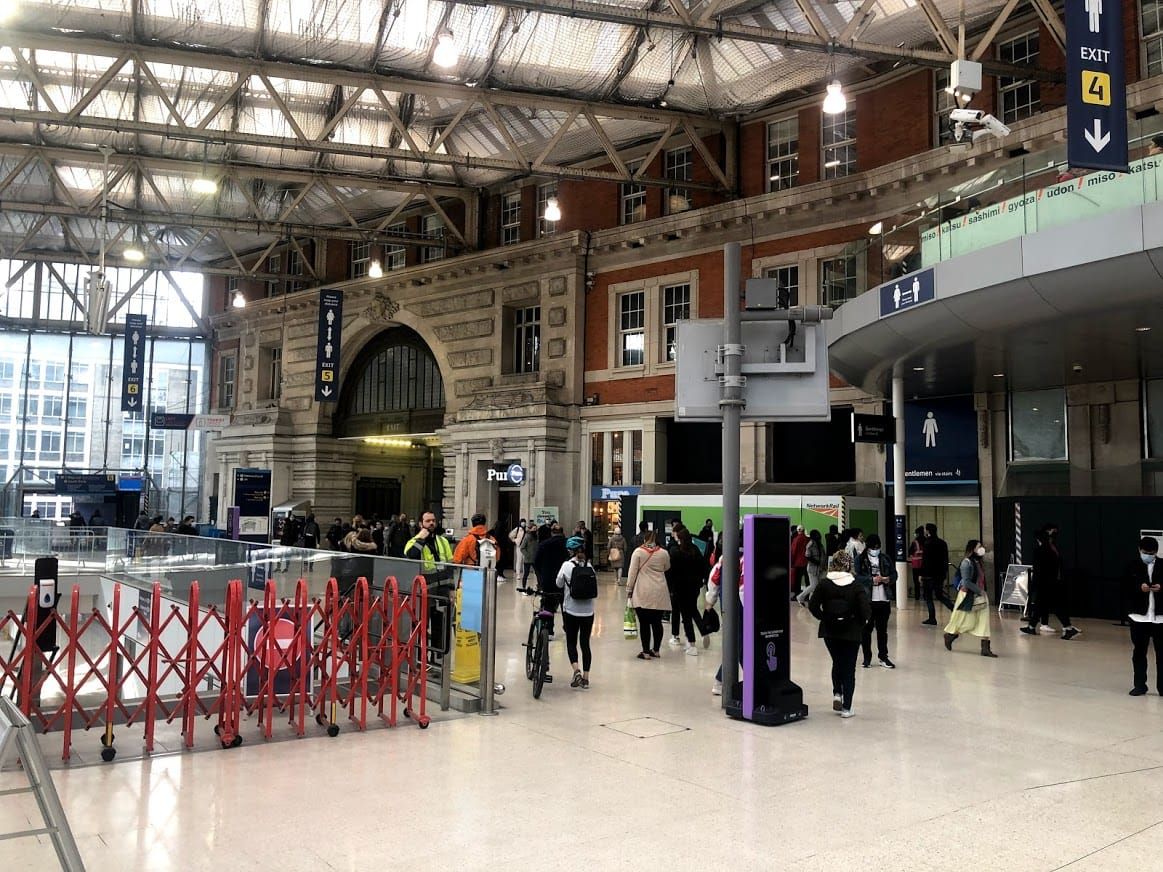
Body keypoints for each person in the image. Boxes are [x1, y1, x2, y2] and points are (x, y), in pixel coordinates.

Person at [809, 550, 871, 718]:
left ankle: (837, 693)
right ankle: (847, 708)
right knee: (849, 668)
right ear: (849, 564)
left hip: (829, 631)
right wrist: (861, 623)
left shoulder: (824, 584)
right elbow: (865, 610)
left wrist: (825, 618)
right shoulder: (856, 584)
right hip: (851, 631)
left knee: (837, 661)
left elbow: (813, 606)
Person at [1021, 524, 1081, 640]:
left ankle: (1068, 628)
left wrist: (1033, 585)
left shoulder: (1040, 551)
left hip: (1045, 583)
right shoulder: (1052, 550)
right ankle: (1032, 626)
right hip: (1053, 582)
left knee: (1052, 605)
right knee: (1041, 605)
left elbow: (1038, 570)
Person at [942, 540, 997, 657]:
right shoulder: (967, 563)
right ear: (972, 549)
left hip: (981, 595)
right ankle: (951, 635)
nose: (981, 549)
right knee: (963, 620)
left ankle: (985, 647)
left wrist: (982, 592)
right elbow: (966, 582)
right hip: (968, 596)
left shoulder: (978, 562)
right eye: (979, 547)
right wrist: (979, 591)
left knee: (984, 621)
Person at [556, 535, 597, 689]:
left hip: (571, 610)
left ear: (570, 551)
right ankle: (586, 678)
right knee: (585, 643)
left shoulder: (567, 565)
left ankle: (576, 670)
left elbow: (558, 583)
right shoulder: (589, 566)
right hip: (588, 611)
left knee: (571, 642)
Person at [626, 529, 671, 660]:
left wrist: (629, 590)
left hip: (643, 591)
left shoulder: (638, 552)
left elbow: (632, 572)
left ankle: (645, 651)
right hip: (659, 591)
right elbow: (667, 567)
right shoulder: (664, 553)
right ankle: (656, 650)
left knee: (644, 623)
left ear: (644, 539)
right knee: (657, 622)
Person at [1126, 536, 1163, 696]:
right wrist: (1138, 588)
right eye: (1145, 552)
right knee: (1139, 652)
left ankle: (1162, 687)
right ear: (1139, 550)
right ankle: (1140, 685)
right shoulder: (1131, 566)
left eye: (1151, 553)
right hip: (1139, 617)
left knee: (1161, 653)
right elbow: (1124, 587)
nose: (1148, 555)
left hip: (1160, 618)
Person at [665, 525, 710, 655]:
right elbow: (703, 568)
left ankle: (692, 644)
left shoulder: (677, 553)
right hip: (694, 588)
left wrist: (671, 587)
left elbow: (671, 572)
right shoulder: (696, 550)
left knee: (685, 616)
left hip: (680, 589)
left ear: (680, 539)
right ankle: (699, 633)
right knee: (691, 611)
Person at [855, 534, 896, 669]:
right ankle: (867, 657)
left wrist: (887, 579)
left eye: (878, 547)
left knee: (882, 630)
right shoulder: (860, 560)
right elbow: (857, 577)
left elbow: (895, 574)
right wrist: (871, 580)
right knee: (866, 630)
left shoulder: (885, 558)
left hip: (883, 599)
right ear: (868, 547)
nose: (876, 550)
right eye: (873, 547)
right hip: (867, 600)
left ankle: (883, 657)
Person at [920, 522, 954, 626]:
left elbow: (925, 561)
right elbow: (945, 560)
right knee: (940, 595)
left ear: (928, 531)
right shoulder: (942, 543)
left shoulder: (927, 543)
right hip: (939, 575)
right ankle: (954, 610)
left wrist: (921, 574)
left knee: (928, 597)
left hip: (928, 575)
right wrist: (944, 574)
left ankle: (932, 618)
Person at [796, 529, 825, 607]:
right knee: (813, 585)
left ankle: (812, 600)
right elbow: (807, 556)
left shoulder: (820, 544)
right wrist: (817, 562)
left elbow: (823, 555)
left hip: (819, 569)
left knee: (817, 586)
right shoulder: (810, 544)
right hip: (812, 568)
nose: (819, 536)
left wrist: (823, 565)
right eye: (817, 535)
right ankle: (800, 597)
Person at [789, 525, 809, 601]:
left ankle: (797, 595)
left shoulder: (796, 539)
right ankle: (807, 595)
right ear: (804, 530)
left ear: (797, 531)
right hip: (807, 563)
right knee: (808, 580)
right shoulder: (808, 539)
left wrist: (791, 562)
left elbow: (793, 552)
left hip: (798, 563)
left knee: (797, 581)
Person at [519, 522, 539, 588]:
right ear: (530, 529)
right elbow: (522, 548)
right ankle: (523, 588)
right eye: (534, 528)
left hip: (535, 559)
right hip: (528, 559)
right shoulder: (527, 536)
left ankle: (539, 586)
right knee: (526, 574)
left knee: (538, 573)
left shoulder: (536, 537)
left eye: (536, 529)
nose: (535, 530)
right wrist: (527, 555)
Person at [908, 526, 926, 600]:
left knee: (916, 581)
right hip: (924, 564)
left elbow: (910, 552)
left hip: (916, 564)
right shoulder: (926, 541)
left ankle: (917, 596)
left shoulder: (914, 542)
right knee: (925, 580)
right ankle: (925, 595)